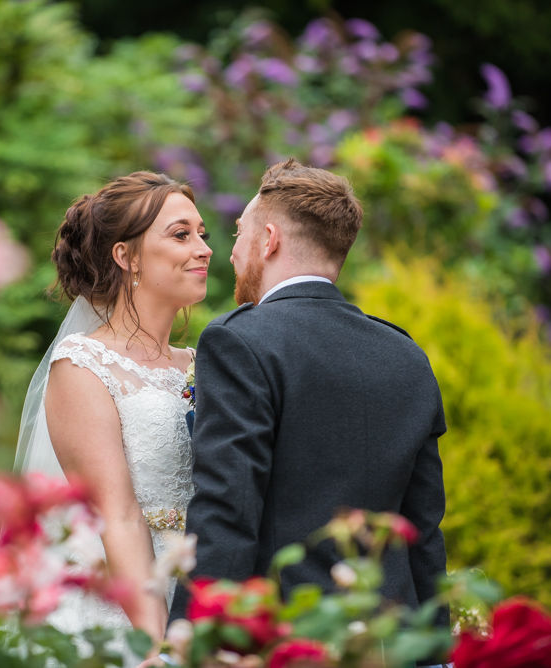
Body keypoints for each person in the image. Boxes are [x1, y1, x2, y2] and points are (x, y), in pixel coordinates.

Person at [169, 159, 450, 667]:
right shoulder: (407, 354)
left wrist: (189, 643)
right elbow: (424, 527)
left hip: (286, 640)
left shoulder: (239, 341)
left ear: (269, 239)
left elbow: (227, 510)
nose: (229, 251)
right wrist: (435, 652)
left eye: (238, 233)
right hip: (391, 643)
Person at [14, 171, 212, 654]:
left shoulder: (201, 364)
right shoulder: (82, 364)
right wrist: (159, 645)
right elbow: (117, 514)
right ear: (126, 256)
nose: (204, 248)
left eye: (202, 233)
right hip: (123, 602)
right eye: (181, 234)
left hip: (198, 590)